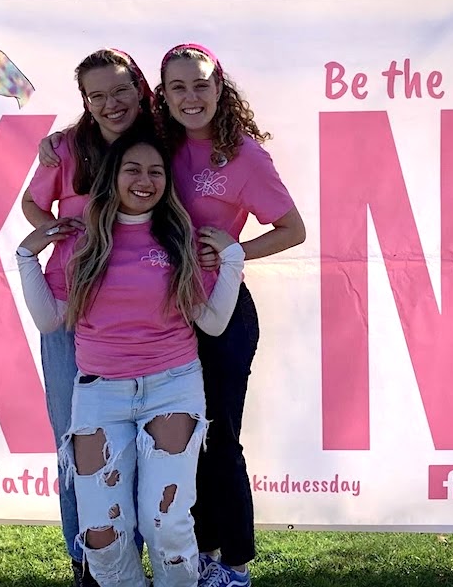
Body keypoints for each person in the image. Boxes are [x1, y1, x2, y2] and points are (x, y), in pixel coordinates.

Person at [39, 43, 306, 587]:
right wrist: (58, 142)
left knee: (218, 440)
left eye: (201, 84)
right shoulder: (159, 142)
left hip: (217, 313)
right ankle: (114, 562)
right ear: (159, 95)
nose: (191, 96)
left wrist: (233, 251)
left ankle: (229, 564)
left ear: (220, 86)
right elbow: (103, 120)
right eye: (177, 87)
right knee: (137, 451)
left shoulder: (243, 154)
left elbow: (292, 228)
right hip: (154, 315)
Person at [17, 130, 246, 587]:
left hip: (172, 388)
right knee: (100, 535)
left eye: (156, 172)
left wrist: (233, 257)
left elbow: (214, 322)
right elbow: (51, 319)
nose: (145, 181)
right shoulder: (79, 243)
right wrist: (26, 255)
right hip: (100, 396)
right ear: (112, 177)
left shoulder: (181, 238)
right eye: (133, 170)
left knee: (168, 526)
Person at [22, 48, 155, 587]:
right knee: (74, 444)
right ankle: (88, 566)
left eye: (119, 90)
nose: (110, 103)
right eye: (96, 95)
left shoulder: (159, 144)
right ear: (84, 101)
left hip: (139, 314)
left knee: (137, 444)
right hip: (69, 308)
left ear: (140, 89)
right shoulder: (66, 147)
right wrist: (53, 229)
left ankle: (132, 559)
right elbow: (34, 205)